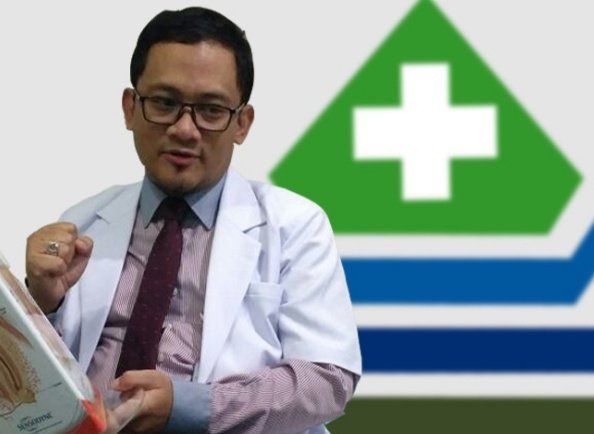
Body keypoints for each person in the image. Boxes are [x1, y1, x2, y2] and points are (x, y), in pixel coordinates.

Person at [24, 6, 361, 434]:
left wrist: (188, 406)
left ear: (242, 123)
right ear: (130, 108)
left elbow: (326, 380)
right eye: (164, 103)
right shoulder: (82, 223)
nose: (185, 129)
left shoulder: (295, 225)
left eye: (211, 110)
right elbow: (35, 390)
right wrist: (41, 305)